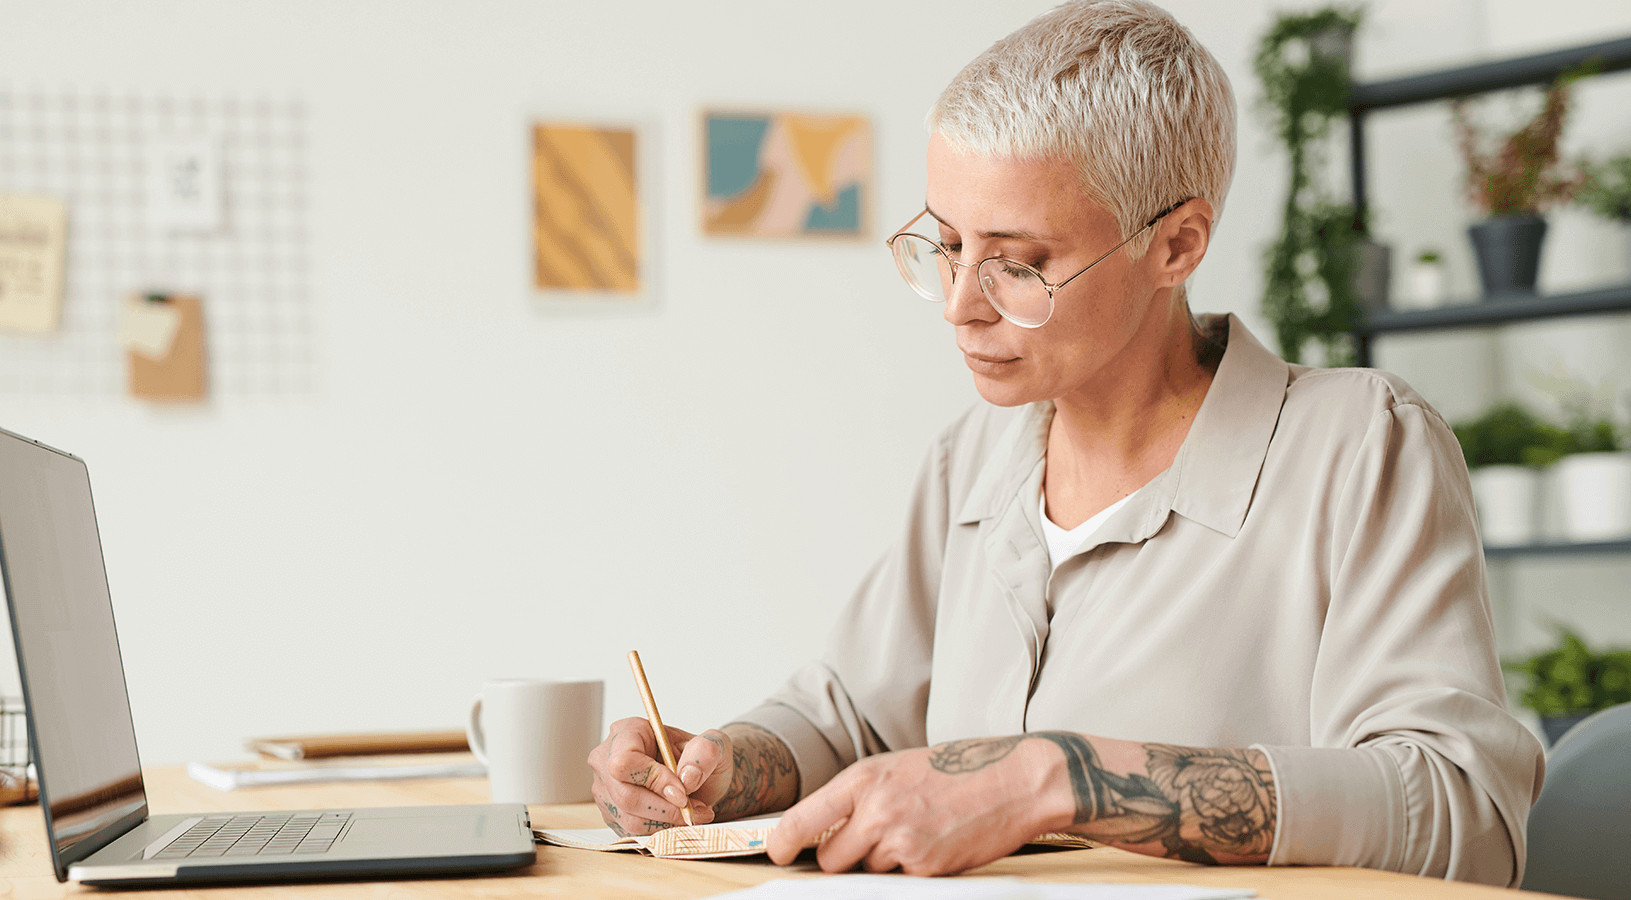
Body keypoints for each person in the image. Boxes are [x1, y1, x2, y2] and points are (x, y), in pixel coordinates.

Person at [587, 0, 1543, 885]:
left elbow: (1465, 812)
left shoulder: (1361, 448)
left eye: (1018, 263)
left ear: (1177, 245)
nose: (961, 305)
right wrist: (713, 770)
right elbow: (845, 714)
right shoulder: (975, 461)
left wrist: (1061, 777)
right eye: (948, 245)